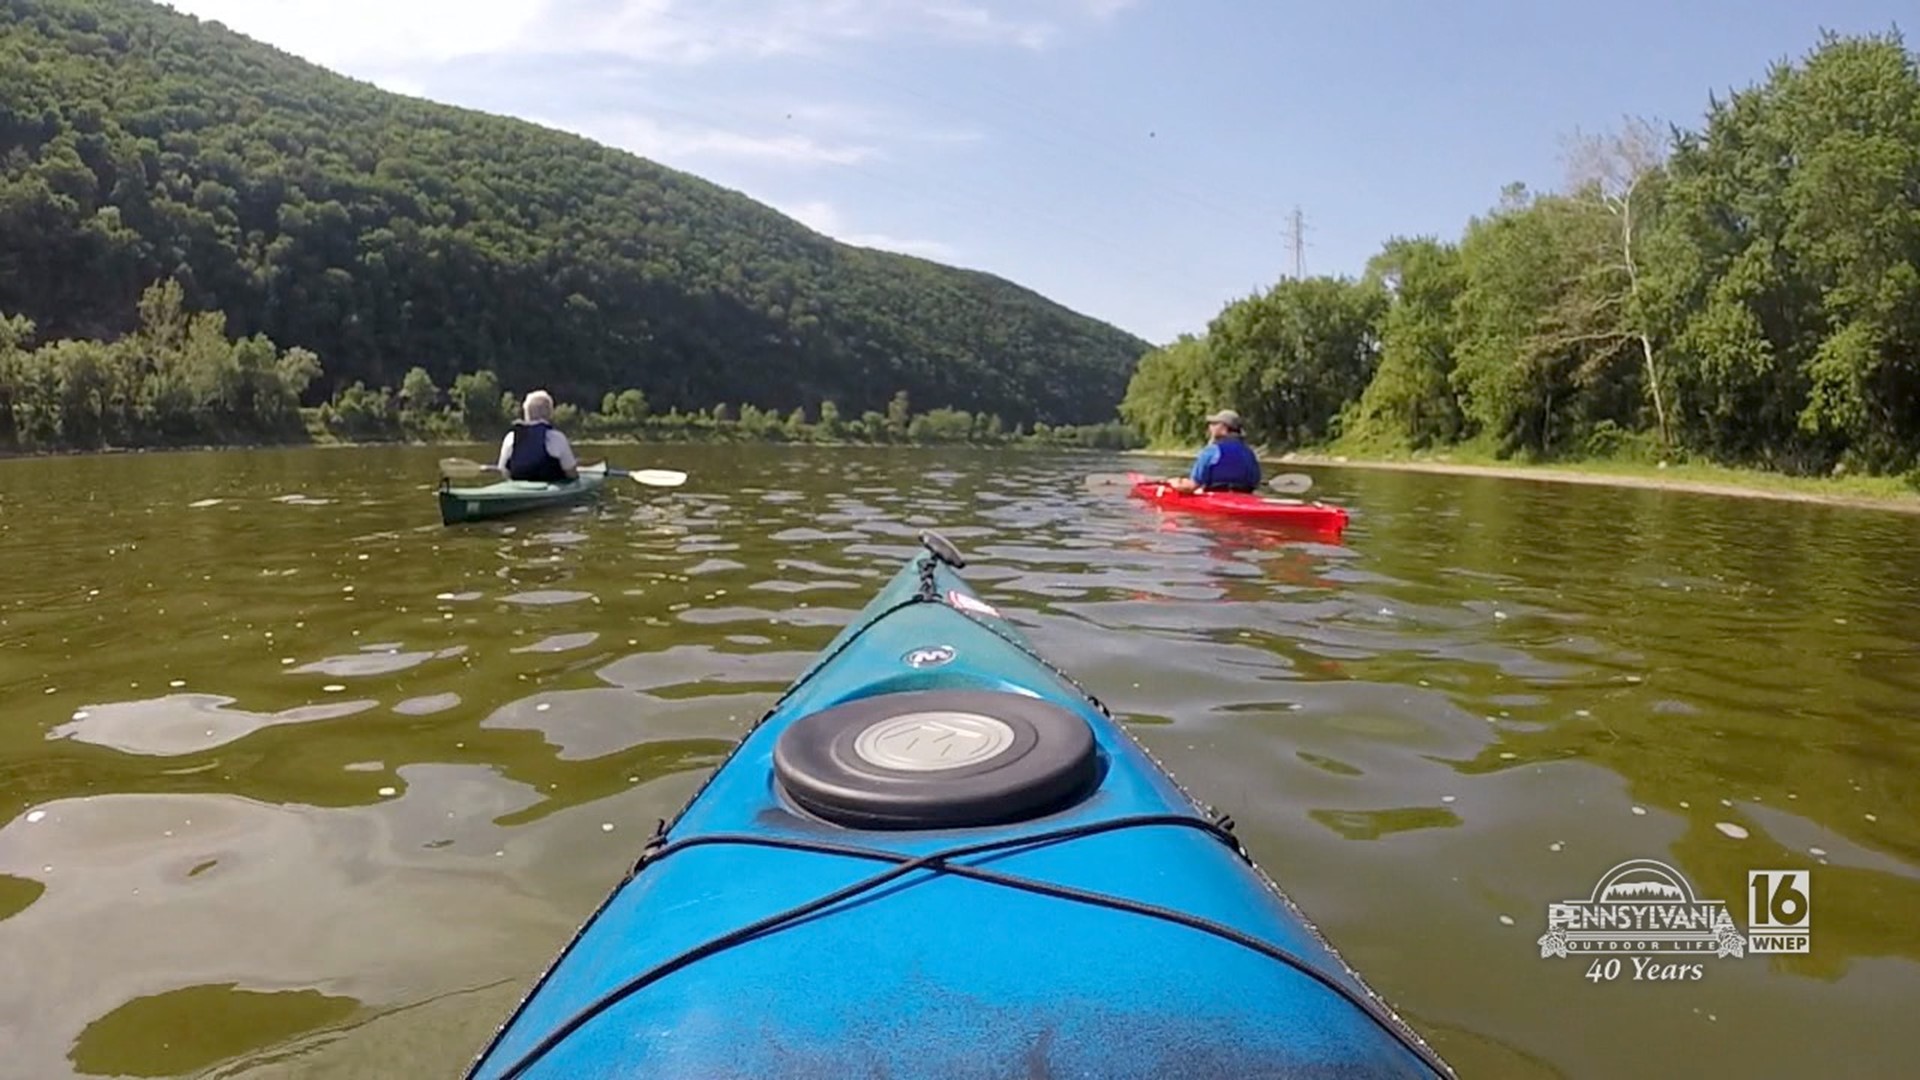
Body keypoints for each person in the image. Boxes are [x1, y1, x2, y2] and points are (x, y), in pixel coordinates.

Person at [1165, 408, 1261, 493]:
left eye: (1215, 424)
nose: (1210, 427)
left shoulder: (1211, 451)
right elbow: (1255, 482)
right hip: (1244, 497)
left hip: (1217, 496)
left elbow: (1192, 486)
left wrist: (1174, 483)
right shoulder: (1249, 452)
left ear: (1224, 428)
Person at [498, 389, 579, 482]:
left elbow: (503, 471)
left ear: (526, 413)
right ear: (549, 413)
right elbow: (571, 473)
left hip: (518, 488)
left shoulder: (511, 437)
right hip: (551, 489)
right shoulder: (557, 438)